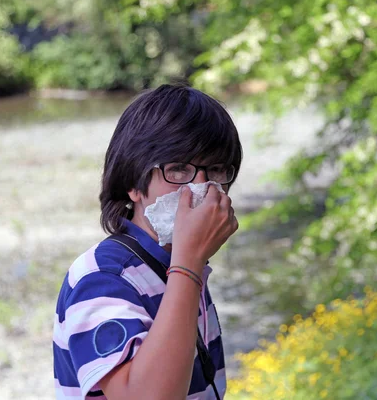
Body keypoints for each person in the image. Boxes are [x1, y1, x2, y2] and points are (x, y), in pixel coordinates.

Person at [53, 84, 243, 400]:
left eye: (215, 169)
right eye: (178, 169)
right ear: (133, 184)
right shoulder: (102, 277)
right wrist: (189, 264)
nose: (200, 187)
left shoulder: (177, 266)